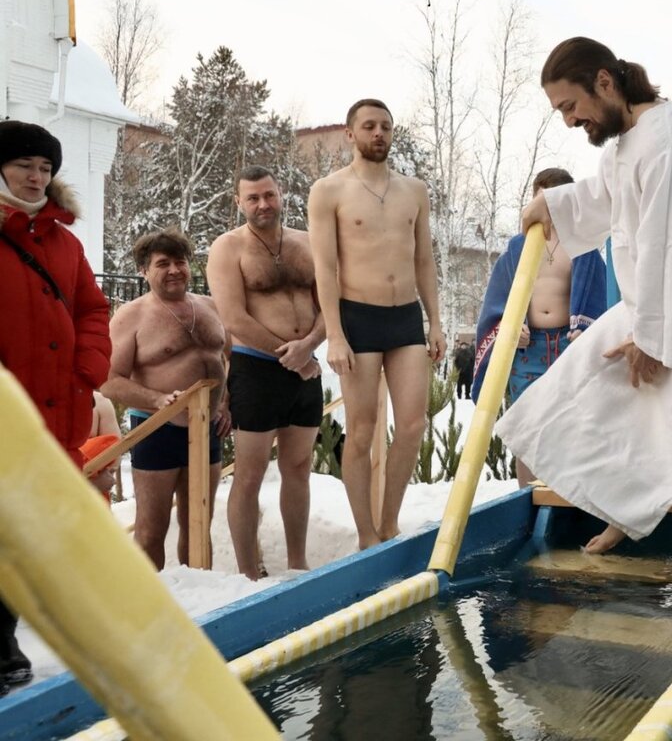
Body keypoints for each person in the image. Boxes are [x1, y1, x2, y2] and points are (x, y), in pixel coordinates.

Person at [498, 37, 672, 556]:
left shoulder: (670, 144)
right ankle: (625, 514)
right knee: (592, 387)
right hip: (660, 301)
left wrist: (653, 338)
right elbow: (603, 199)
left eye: (570, 106)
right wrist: (552, 205)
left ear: (605, 81)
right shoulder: (632, 141)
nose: (569, 121)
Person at [0, 120, 111, 694]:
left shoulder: (65, 242)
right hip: (7, 415)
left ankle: (4, 647)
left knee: (25, 538)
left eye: (44, 168)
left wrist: (88, 368)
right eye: (24, 165)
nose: (35, 176)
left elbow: (94, 309)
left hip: (57, 411)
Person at [308, 98, 446, 550]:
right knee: (362, 430)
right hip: (357, 317)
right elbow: (325, 269)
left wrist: (436, 322)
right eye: (369, 126)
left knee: (411, 424)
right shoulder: (329, 191)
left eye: (385, 126)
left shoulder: (414, 190)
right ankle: (365, 533)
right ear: (350, 134)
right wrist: (334, 334)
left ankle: (389, 523)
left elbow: (424, 259)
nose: (379, 133)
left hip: (405, 315)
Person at [208, 166, 325, 580]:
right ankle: (247, 574)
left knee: (299, 467)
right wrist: (289, 354)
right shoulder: (228, 248)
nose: (263, 204)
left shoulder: (307, 243)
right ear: (238, 202)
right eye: (253, 198)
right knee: (250, 472)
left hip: (306, 368)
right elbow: (233, 317)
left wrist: (308, 347)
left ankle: (297, 562)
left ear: (281, 194)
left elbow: (330, 303)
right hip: (257, 371)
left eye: (269, 195)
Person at [101, 230, 232, 570]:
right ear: (144, 271)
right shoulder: (131, 316)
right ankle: (146, 606)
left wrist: (226, 404)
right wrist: (158, 399)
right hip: (157, 429)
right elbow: (108, 380)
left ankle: (201, 603)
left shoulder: (210, 307)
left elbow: (227, 360)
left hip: (207, 430)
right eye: (163, 264)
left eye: (180, 262)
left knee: (199, 524)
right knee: (151, 527)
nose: (174, 270)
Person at [473, 167, 608, 486]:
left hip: (567, 344)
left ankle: (568, 498)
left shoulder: (583, 246)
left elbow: (598, 295)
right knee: (526, 427)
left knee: (573, 423)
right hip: (528, 347)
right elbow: (498, 298)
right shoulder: (518, 247)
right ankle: (527, 499)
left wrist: (585, 331)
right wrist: (510, 328)